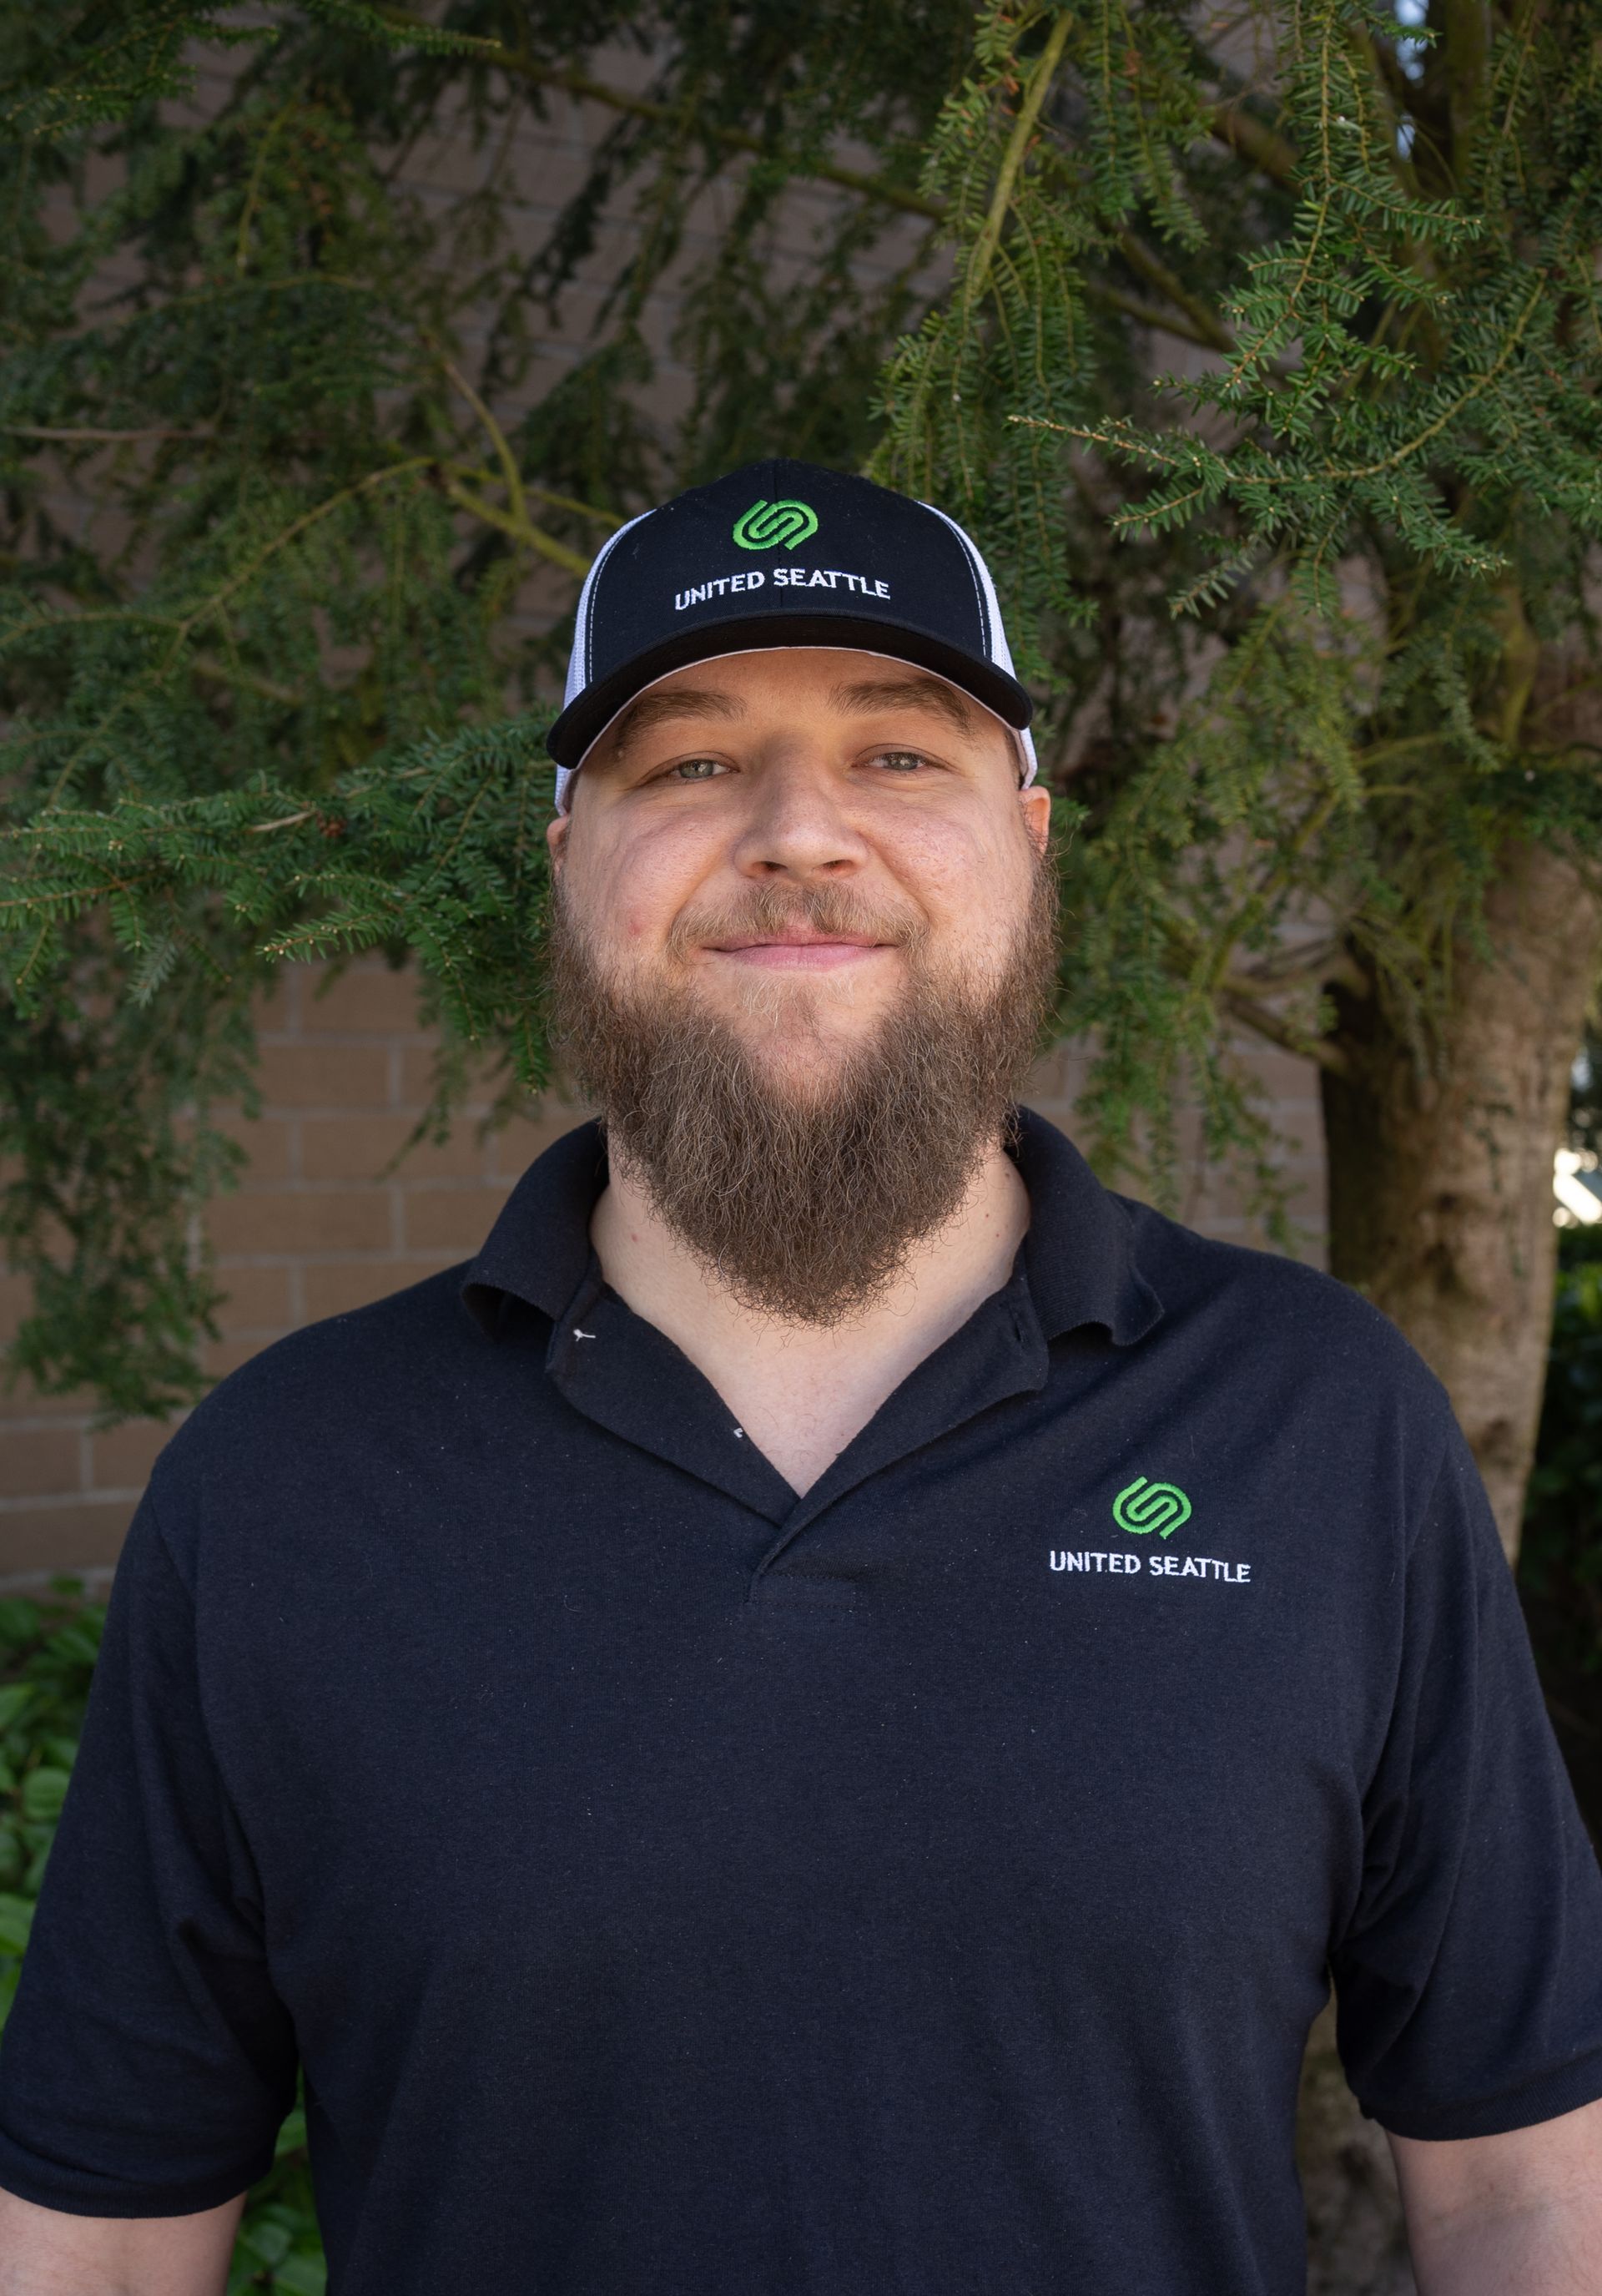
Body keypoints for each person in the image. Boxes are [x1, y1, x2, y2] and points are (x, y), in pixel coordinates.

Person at [2, 460, 1600, 2296]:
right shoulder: (285, 1480)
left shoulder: (1320, 1421)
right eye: (685, 761)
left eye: (898, 753)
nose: (796, 831)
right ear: (565, 864)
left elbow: (1527, 2176)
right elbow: (108, 2235)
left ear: (1030, 838)